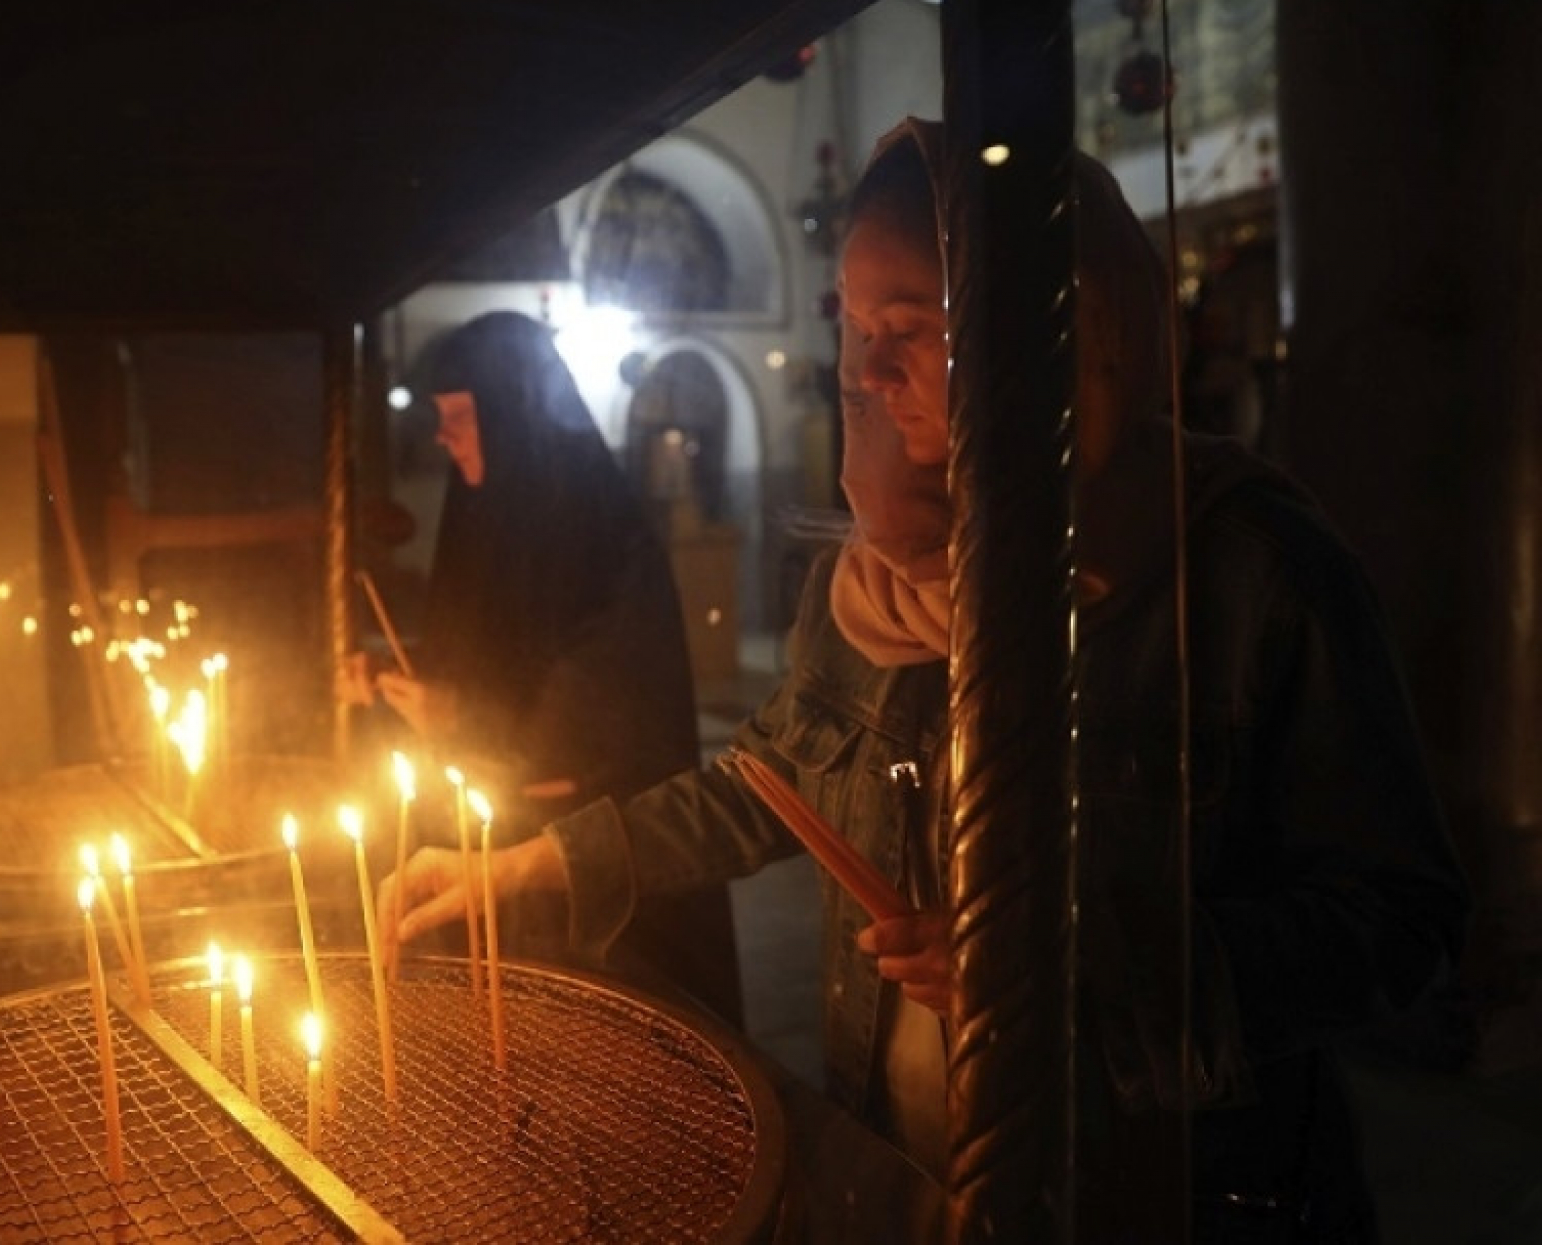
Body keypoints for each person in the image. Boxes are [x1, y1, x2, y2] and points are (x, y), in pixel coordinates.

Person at [384, 123, 1468, 1240]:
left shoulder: (1249, 579)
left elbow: (1398, 922)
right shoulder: (871, 582)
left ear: (1054, 336)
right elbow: (771, 784)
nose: (861, 373)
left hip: (1161, 1192)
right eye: (853, 331)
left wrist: (1075, 961)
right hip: (904, 1170)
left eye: (906, 331)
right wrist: (539, 863)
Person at [346, 309, 742, 1025]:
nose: (444, 437)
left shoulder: (610, 544)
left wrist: (459, 716)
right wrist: (392, 679)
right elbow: (466, 657)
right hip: (482, 863)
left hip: (587, 900)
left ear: (514, 419)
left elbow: (604, 732)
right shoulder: (478, 522)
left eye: (459, 418)